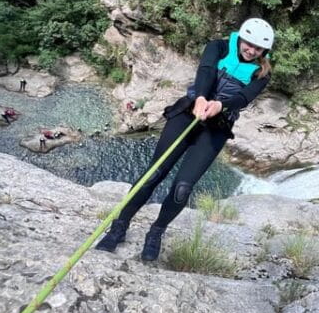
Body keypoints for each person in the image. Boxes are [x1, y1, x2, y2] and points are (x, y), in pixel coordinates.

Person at [96, 18, 274, 261]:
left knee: (182, 188)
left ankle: (157, 231)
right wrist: (201, 98)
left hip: (217, 127)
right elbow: (206, 70)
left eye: (258, 48)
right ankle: (120, 225)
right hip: (189, 112)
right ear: (241, 37)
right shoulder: (219, 47)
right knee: (154, 173)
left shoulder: (262, 73)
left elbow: (244, 97)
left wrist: (220, 105)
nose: (251, 50)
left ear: (264, 51)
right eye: (248, 44)